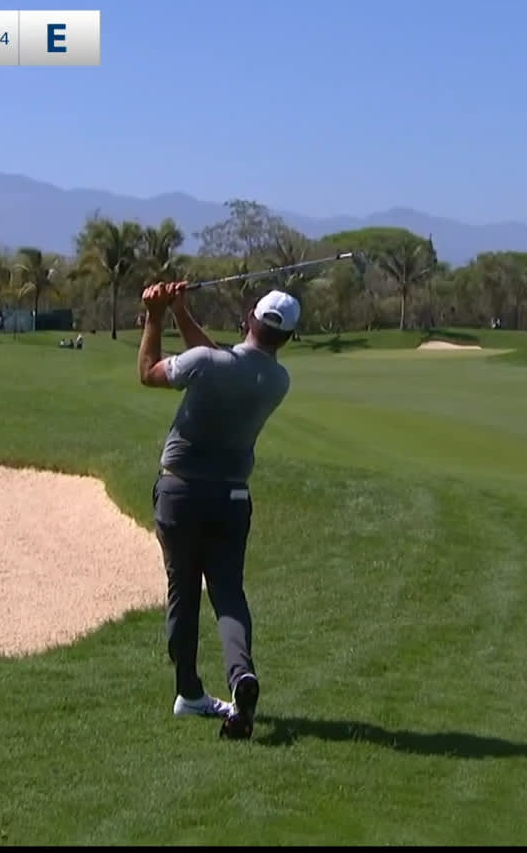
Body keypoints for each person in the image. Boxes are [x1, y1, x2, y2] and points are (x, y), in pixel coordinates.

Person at [136, 280, 297, 740]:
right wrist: (182, 312)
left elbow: (149, 371)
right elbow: (217, 361)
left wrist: (156, 314)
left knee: (184, 594)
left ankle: (188, 691)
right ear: (287, 338)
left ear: (248, 317)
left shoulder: (210, 364)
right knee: (228, 593)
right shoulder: (277, 381)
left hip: (180, 493)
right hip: (232, 499)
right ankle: (240, 676)